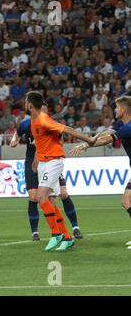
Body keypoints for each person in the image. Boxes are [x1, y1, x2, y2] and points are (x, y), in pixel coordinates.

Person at [25, 91, 95, 251]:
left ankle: (56, 234)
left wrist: (88, 139)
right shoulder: (33, 120)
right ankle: (67, 238)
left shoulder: (43, 119)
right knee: (49, 200)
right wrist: (36, 157)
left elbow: (67, 129)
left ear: (30, 104)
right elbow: (41, 140)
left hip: (53, 161)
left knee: (40, 196)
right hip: (43, 161)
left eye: (25, 101)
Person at [70, 95, 131, 249]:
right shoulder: (121, 123)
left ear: (123, 110)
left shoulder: (128, 127)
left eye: (117, 107)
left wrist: (85, 146)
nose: (114, 110)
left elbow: (107, 140)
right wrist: (91, 138)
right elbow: (106, 134)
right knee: (126, 202)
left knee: (127, 201)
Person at [10, 115, 84, 241]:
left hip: (49, 161)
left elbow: (58, 139)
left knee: (62, 194)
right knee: (34, 197)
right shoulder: (26, 124)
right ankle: (36, 232)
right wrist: (14, 140)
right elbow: (17, 134)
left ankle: (74, 228)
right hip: (31, 164)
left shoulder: (49, 124)